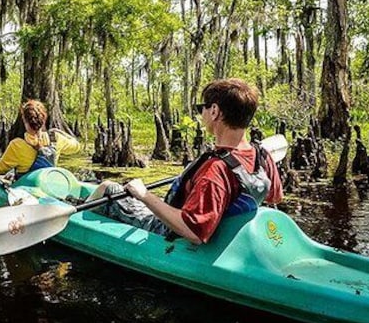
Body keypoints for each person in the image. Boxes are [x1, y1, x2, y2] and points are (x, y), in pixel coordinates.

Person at [104, 78, 283, 245]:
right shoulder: (262, 156)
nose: (201, 114)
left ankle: (77, 225)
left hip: (170, 232)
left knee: (108, 188)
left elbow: (194, 232)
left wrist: (144, 195)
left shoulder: (216, 170)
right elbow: (275, 196)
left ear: (214, 111)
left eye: (201, 108)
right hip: (224, 234)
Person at [0, 99, 80, 180]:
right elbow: (76, 146)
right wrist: (60, 132)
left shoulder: (17, 145)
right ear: (44, 119)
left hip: (26, 192)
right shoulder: (56, 138)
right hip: (47, 186)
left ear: (24, 120)